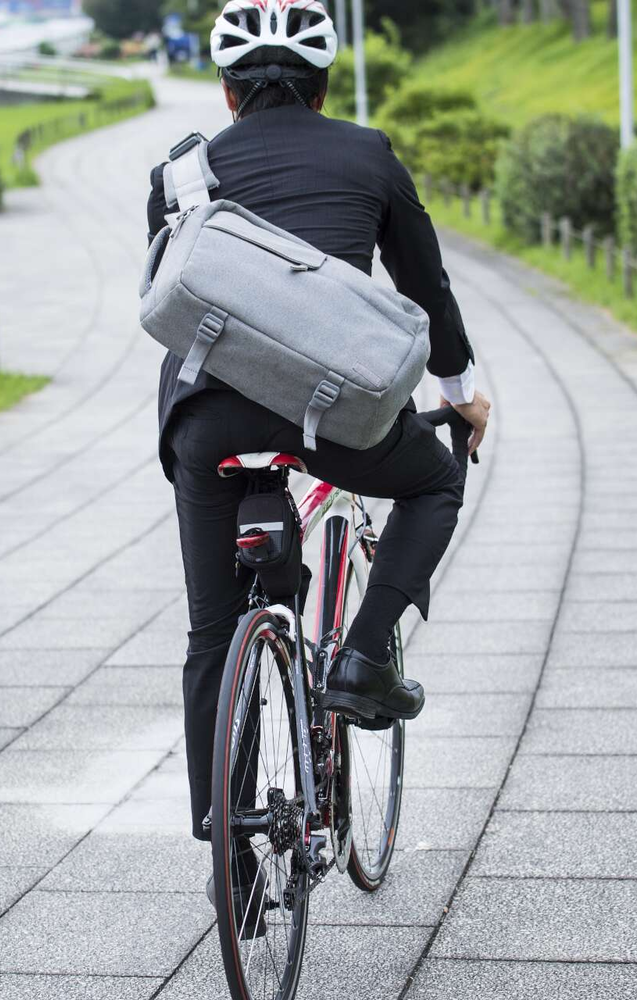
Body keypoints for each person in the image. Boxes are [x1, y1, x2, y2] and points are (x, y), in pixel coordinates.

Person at [148, 1, 491, 846]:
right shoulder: (368, 153)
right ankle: (363, 656)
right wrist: (462, 388)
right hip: (336, 411)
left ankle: (222, 829)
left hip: (207, 422)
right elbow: (425, 283)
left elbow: (164, 296)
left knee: (210, 629)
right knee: (436, 480)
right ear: (325, 86)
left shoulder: (180, 175)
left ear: (227, 93)